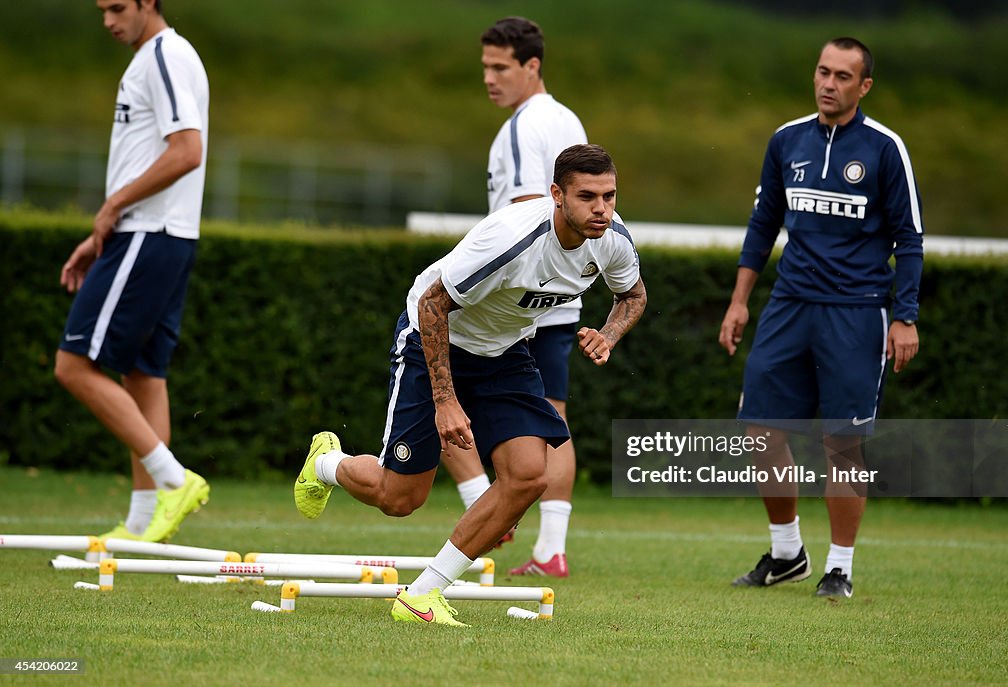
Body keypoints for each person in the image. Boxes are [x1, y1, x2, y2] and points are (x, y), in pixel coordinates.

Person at [295, 144, 646, 626]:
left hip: (504, 353)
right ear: (556, 195)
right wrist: (445, 401)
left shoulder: (612, 237)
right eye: (587, 197)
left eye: (609, 196)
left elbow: (633, 294)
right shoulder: (511, 239)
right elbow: (433, 306)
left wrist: (607, 336)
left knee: (528, 476)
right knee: (400, 500)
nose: (601, 209)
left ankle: (423, 594)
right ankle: (328, 463)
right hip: (434, 337)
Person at [718, 37, 923, 598]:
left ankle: (839, 568)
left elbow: (910, 240)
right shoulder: (787, 139)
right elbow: (763, 226)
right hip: (789, 306)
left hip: (857, 312)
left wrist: (904, 317)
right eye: (822, 72)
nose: (828, 84)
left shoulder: (885, 149)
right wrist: (739, 301)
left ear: (864, 86)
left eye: (842, 76)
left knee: (842, 445)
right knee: (760, 431)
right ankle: (787, 553)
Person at [55, 0, 210, 543]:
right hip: (158, 234)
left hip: (150, 231)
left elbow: (186, 151)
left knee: (73, 365)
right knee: (143, 374)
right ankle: (146, 523)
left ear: (149, 2)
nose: (107, 20)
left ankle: (173, 483)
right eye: (101, 9)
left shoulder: (163, 54)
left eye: (117, 7)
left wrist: (112, 207)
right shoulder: (159, 55)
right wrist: (105, 228)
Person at [441, 16, 588, 577]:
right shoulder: (564, 116)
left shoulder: (528, 126)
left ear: (532, 67)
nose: (489, 78)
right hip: (556, 294)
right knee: (552, 419)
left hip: (519, 297)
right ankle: (550, 549)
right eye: (484, 67)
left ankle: (487, 512)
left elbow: (530, 209)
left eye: (500, 67)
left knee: (454, 401)